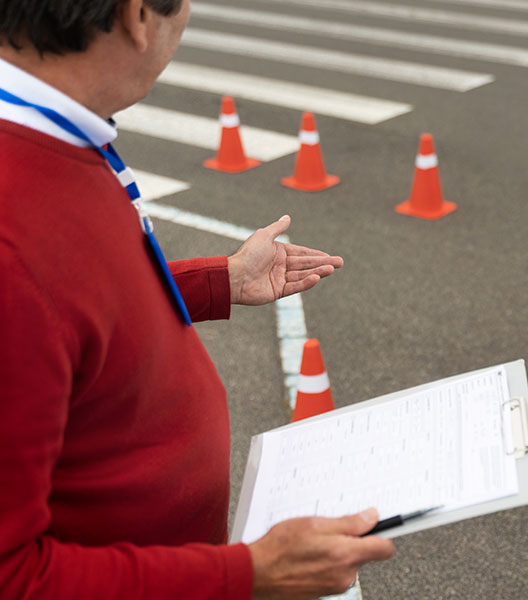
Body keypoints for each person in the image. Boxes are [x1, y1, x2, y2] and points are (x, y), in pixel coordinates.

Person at [0, 0, 395, 597]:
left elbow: (76, 310)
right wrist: (248, 575)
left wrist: (222, 279)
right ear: (137, 17)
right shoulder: (14, 228)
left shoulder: (51, 134)